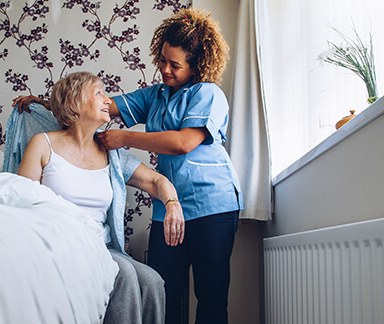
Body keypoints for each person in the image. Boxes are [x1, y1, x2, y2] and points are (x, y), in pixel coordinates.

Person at [15, 7, 243, 324]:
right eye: (162, 60)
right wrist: (47, 102)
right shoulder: (156, 96)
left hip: (212, 202)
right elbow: (93, 104)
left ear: (197, 64)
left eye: (174, 65)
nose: (164, 69)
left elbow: (183, 143)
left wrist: (125, 138)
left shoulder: (209, 94)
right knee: (163, 291)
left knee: (211, 295)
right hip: (169, 209)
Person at [15, 71, 185, 324]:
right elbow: (21, 202)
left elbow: (156, 181)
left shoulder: (111, 154)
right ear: (74, 104)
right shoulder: (43, 144)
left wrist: (172, 204)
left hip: (101, 247)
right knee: (124, 273)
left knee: (153, 281)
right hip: (60, 246)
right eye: (99, 93)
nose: (108, 100)